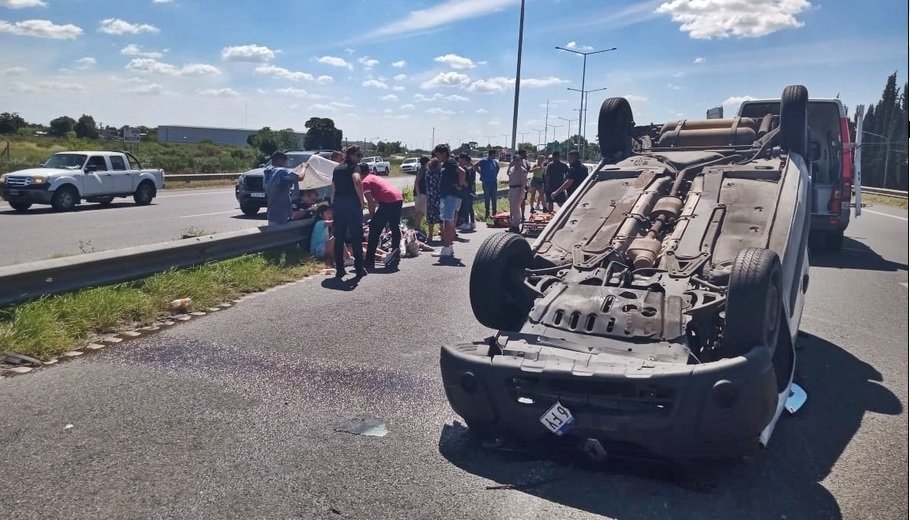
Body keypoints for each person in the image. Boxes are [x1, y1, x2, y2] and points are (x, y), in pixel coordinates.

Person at [331, 145, 368, 279]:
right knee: (356, 235)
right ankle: (359, 267)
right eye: (358, 155)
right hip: (352, 203)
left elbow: (333, 187)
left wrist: (333, 202)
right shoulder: (354, 167)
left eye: (361, 156)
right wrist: (361, 200)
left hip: (338, 203)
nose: (360, 158)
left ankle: (339, 268)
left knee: (339, 237)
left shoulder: (337, 168)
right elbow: (357, 181)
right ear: (350, 155)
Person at [361, 164, 404, 269]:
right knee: (394, 226)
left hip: (388, 201)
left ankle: (369, 259)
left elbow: (371, 202)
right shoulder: (375, 177)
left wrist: (372, 217)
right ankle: (395, 252)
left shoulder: (364, 182)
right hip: (398, 198)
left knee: (374, 229)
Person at [432, 144, 466, 258]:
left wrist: (460, 185)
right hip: (447, 195)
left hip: (450, 196)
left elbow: (462, 171)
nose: (436, 157)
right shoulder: (446, 164)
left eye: (438, 154)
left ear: (444, 154)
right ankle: (449, 246)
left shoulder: (450, 163)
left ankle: (446, 248)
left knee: (448, 222)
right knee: (448, 221)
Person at [263, 151, 305, 226]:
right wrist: (304, 167)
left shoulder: (267, 172)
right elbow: (300, 177)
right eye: (285, 161)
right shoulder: (281, 172)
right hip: (283, 212)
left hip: (272, 212)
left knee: (273, 230)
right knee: (283, 231)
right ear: (280, 160)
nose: (286, 164)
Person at [506, 151, 529, 233]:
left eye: (519, 160)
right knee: (512, 208)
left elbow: (523, 183)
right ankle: (513, 224)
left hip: (518, 189)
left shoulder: (523, 171)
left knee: (516, 208)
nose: (517, 162)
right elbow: (510, 178)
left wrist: (521, 193)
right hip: (512, 189)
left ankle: (516, 225)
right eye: (516, 160)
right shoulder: (512, 169)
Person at [476, 149, 500, 220]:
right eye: (495, 154)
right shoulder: (484, 161)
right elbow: (475, 166)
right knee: (487, 198)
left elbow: (498, 168)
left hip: (493, 182)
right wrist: (481, 173)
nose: (495, 156)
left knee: (494, 198)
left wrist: (495, 174)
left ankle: (494, 213)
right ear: (492, 154)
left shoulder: (494, 162)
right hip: (486, 182)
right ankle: (487, 213)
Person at [424, 157, 443, 243]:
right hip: (439, 196)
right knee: (441, 217)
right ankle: (443, 235)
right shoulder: (440, 173)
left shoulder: (428, 173)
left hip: (431, 197)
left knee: (431, 217)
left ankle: (430, 236)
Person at [457, 153, 477, 231]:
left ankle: (466, 223)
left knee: (465, 207)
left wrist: (460, 183)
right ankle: (472, 222)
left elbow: (467, 183)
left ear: (465, 161)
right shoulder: (469, 169)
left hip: (466, 191)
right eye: (459, 161)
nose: (459, 163)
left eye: (461, 161)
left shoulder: (466, 170)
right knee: (469, 207)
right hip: (469, 191)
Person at [412, 156, 430, 233]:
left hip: (423, 194)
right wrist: (418, 193)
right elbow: (416, 182)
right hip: (420, 194)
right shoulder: (421, 170)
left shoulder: (425, 170)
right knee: (419, 212)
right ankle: (416, 229)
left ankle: (418, 228)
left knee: (421, 212)